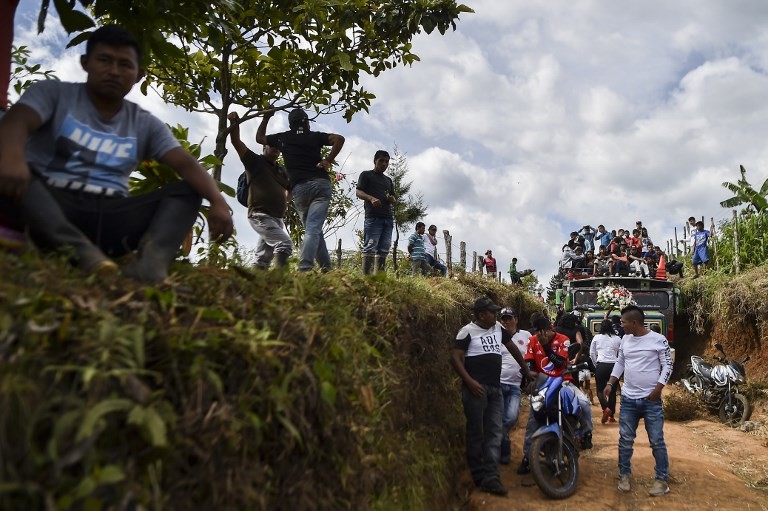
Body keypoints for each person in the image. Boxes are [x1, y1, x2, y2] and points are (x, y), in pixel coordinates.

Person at [0, 25, 233, 283]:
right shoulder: (53, 93)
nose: (113, 71)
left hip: (110, 218)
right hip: (47, 208)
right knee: (17, 167)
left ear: (138, 75)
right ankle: (81, 252)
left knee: (188, 191)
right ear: (86, 63)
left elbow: (186, 164)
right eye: (104, 60)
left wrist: (218, 202)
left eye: (124, 65)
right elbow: (16, 122)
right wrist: (11, 158)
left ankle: (150, 266)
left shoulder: (144, 123)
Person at [451, 297, 535, 496]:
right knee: (476, 432)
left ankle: (491, 476)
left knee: (495, 431)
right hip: (476, 391)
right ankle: (479, 475)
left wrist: (526, 370)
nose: (497, 315)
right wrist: (470, 382)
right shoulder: (467, 331)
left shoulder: (497, 328)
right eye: (492, 312)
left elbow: (512, 347)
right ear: (481, 315)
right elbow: (455, 357)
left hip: (495, 389)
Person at [256, 108, 345, 272]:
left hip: (300, 189)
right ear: (306, 122)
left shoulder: (284, 137)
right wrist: (328, 160)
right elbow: (339, 139)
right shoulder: (314, 136)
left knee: (313, 228)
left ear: (291, 124)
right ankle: (306, 268)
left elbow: (259, 138)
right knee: (314, 229)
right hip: (320, 185)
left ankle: (326, 269)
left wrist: (266, 117)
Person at [604, 305, 673, 496]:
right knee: (625, 440)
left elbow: (667, 365)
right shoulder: (625, 339)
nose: (621, 325)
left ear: (634, 323)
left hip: (651, 401)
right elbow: (621, 363)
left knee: (657, 441)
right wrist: (611, 383)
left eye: (623, 322)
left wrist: (658, 389)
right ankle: (624, 475)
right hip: (628, 399)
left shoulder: (658, 340)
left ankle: (661, 480)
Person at [517, 312, 593, 474]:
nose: (539, 335)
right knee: (533, 419)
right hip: (543, 384)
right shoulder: (532, 340)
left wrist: (545, 346)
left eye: (541, 331)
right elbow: (529, 362)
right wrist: (530, 380)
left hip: (563, 381)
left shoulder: (562, 339)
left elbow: (559, 362)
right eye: (536, 331)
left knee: (584, 403)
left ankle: (586, 434)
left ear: (549, 329)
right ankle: (527, 457)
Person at [228, 112, 292, 269]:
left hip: (277, 219)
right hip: (260, 215)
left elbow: (291, 189)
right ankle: (281, 282)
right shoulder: (254, 161)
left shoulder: (282, 170)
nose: (276, 148)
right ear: (264, 147)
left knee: (263, 259)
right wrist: (234, 122)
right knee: (284, 244)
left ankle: (255, 283)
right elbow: (236, 142)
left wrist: (285, 201)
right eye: (272, 145)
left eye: (279, 147)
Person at [498, 307, 531, 465]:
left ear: (516, 319)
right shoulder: (496, 336)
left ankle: (495, 439)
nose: (507, 321)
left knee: (510, 417)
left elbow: (531, 356)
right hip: (497, 384)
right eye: (504, 319)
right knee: (500, 419)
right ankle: (504, 454)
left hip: (515, 386)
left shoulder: (526, 336)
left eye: (510, 318)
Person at [355, 150, 395, 275]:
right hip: (373, 218)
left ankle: (379, 280)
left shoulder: (388, 181)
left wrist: (392, 199)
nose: (384, 164)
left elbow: (393, 198)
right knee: (370, 247)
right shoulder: (366, 175)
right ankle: (366, 280)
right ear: (375, 161)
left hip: (388, 218)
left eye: (387, 162)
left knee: (384, 249)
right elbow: (358, 192)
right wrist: (371, 198)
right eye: (381, 161)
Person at [590, 319, 621, 424]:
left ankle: (605, 408)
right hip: (614, 366)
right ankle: (611, 416)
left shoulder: (596, 338)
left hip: (601, 365)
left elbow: (592, 353)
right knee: (612, 391)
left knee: (600, 390)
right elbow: (620, 353)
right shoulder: (617, 338)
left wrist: (596, 365)